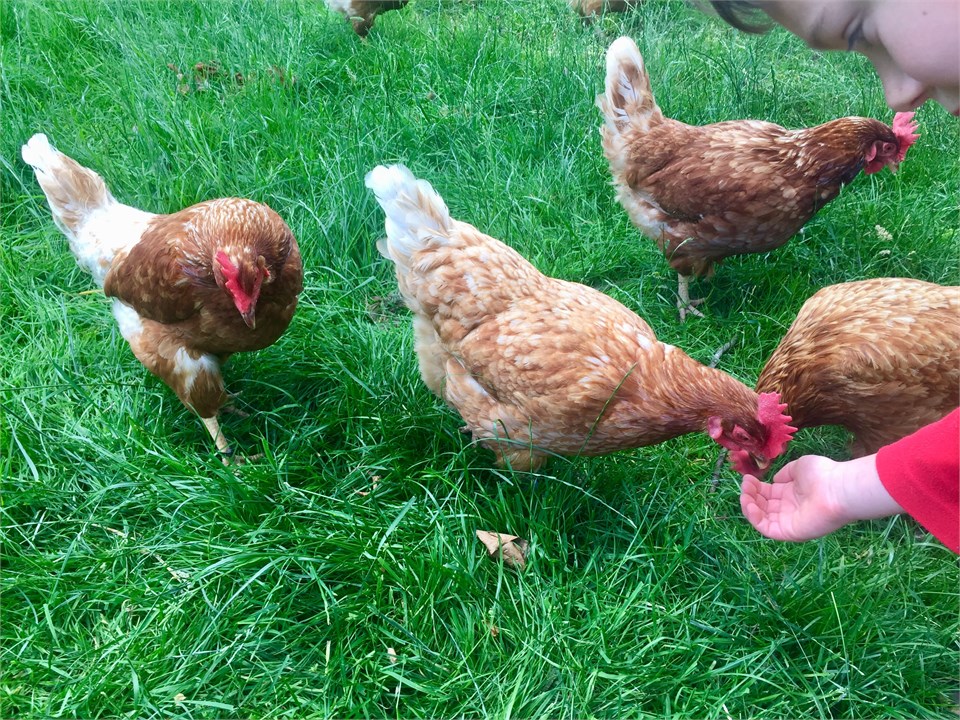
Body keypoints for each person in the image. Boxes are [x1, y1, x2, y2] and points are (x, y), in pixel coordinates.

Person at [709, 0, 960, 553]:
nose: (897, 94)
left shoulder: (859, 373)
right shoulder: (815, 313)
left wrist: (889, 473)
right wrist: (851, 488)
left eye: (861, 30)